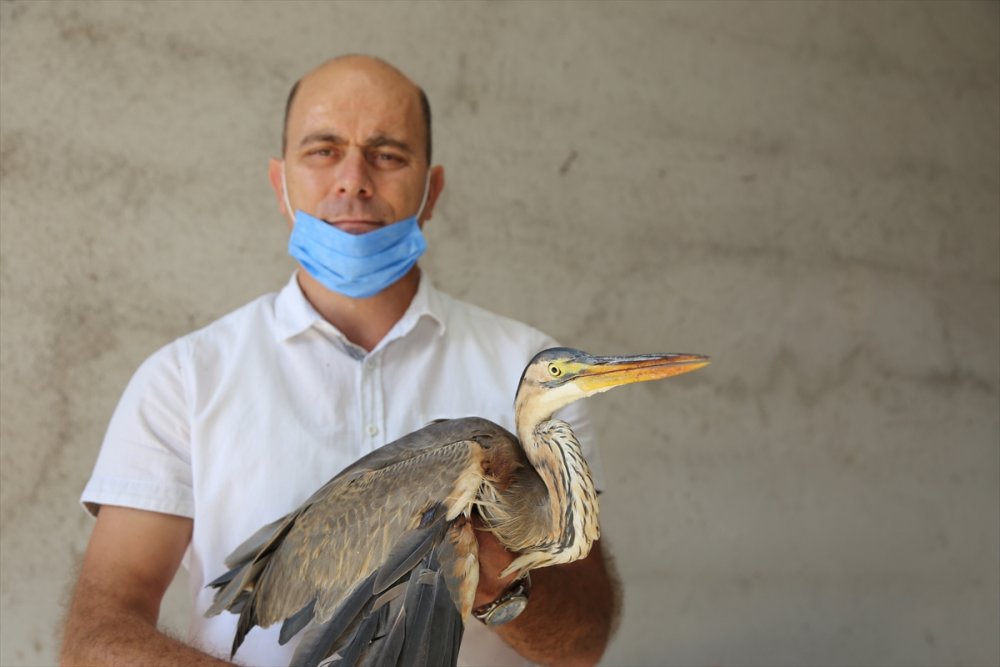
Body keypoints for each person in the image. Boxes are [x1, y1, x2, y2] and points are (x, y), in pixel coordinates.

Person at [61, 55, 617, 667]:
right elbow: (98, 634)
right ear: (281, 186)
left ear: (430, 192)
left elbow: (581, 643)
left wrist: (495, 572)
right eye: (323, 151)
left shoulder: (531, 369)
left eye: (387, 154)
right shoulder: (184, 380)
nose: (353, 179)